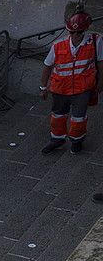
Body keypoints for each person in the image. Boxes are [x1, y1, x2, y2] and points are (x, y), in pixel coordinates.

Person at [41, 8, 102, 155]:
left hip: (82, 89)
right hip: (60, 89)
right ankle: (57, 140)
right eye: (72, 32)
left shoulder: (96, 42)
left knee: (79, 118)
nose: (75, 35)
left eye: (79, 32)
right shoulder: (58, 45)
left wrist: (100, 83)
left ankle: (76, 141)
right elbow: (47, 66)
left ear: (85, 30)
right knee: (58, 116)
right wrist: (43, 87)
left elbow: (101, 63)